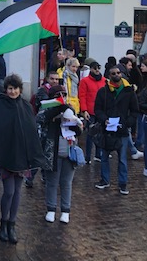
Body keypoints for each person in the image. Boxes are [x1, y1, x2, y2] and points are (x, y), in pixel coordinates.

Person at [0, 74, 45, 244]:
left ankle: (12, 225)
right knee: (9, 191)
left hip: (22, 155)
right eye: (10, 88)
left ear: (20, 89)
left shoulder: (26, 106)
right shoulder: (0, 106)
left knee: (18, 191)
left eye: (15, 88)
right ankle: (3, 222)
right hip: (6, 155)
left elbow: (31, 129)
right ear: (6, 89)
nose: (13, 91)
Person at [37, 85, 83, 224]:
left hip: (69, 152)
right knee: (52, 183)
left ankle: (65, 210)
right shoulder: (45, 111)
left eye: (64, 94)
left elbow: (79, 131)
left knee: (66, 183)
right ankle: (51, 209)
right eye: (59, 95)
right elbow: (39, 121)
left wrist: (73, 122)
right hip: (52, 153)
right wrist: (56, 113)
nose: (62, 97)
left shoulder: (70, 110)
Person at [93, 65, 139, 195]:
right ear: (109, 76)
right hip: (107, 129)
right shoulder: (103, 91)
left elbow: (135, 111)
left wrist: (127, 123)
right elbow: (97, 109)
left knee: (122, 159)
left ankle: (123, 183)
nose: (116, 75)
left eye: (118, 73)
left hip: (122, 130)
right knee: (105, 157)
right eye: (113, 73)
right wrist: (104, 119)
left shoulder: (129, 91)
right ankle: (105, 180)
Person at [78, 61, 105, 163]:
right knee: (90, 134)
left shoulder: (104, 80)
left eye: (98, 68)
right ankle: (88, 156)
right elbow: (82, 96)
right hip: (90, 111)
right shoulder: (85, 81)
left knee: (100, 133)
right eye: (95, 68)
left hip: (101, 111)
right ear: (91, 69)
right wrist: (84, 110)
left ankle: (98, 154)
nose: (97, 70)